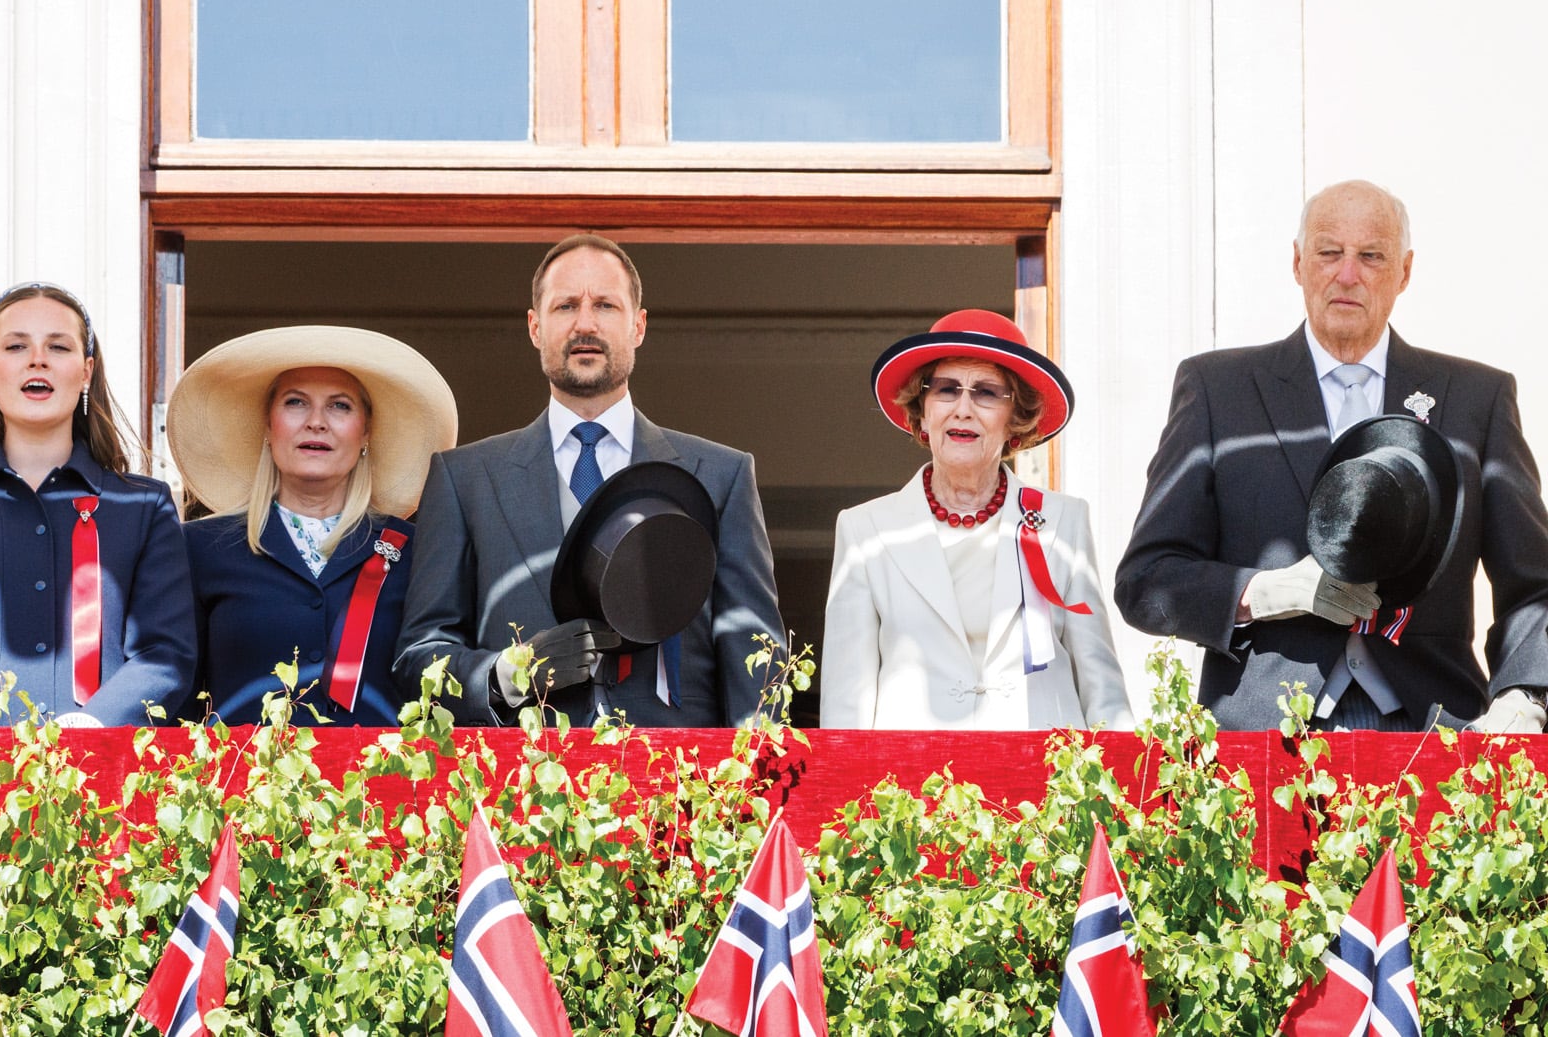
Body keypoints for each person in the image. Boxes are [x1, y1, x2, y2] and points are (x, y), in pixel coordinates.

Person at [1115, 180, 1548, 732]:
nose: (1347, 275)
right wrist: (1267, 593)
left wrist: (1523, 697)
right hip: (1263, 745)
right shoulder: (1216, 390)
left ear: (1405, 272)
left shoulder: (1475, 399)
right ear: (1298, 263)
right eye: (1328, 252)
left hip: (1435, 734)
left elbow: (1534, 585)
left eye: (1371, 256)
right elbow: (1146, 580)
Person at [393, 234, 786, 726]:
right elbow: (417, 657)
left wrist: (743, 794)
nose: (585, 323)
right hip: (516, 791)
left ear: (638, 326)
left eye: (605, 304)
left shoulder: (722, 476)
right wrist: (508, 674)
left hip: (678, 789)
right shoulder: (463, 478)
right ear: (535, 327)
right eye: (565, 306)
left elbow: (756, 656)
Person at [0, 283, 195, 727]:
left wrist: (95, 726)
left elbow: (165, 654)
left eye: (58, 346)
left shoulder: (144, 506)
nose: (37, 359)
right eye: (17, 345)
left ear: (86, 371)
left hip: (104, 775)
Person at [819, 311, 1133, 730]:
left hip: (1046, 780)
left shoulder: (1063, 521)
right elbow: (846, 702)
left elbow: (1101, 687)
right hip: (910, 784)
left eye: (986, 393)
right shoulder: (864, 530)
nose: (963, 409)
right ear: (923, 411)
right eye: (946, 390)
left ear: (1015, 419)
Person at [168, 326, 458, 725]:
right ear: (268, 427)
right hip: (240, 783)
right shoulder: (198, 548)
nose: (316, 422)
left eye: (340, 406)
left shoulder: (414, 551)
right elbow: (175, 694)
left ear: (366, 433)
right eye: (295, 403)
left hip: (383, 783)